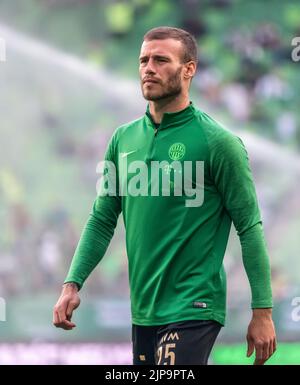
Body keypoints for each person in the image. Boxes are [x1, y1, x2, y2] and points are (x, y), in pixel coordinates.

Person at [53, 26, 276, 365]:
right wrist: (72, 283)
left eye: (160, 60)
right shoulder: (122, 139)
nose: (148, 68)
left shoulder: (219, 142)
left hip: (194, 305)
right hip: (144, 310)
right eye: (143, 60)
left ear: (189, 69)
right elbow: (101, 219)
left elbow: (249, 226)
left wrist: (262, 310)